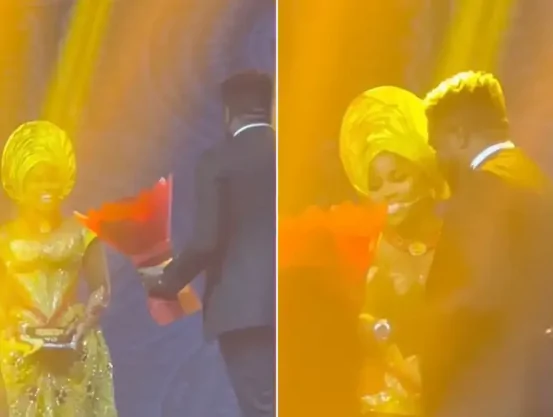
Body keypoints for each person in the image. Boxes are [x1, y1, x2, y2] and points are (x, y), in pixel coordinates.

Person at [279, 86, 448, 416]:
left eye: (398, 177)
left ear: (425, 172)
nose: (388, 192)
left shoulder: (459, 240)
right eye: (376, 184)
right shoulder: (355, 242)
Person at [140, 71, 276, 417]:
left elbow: (205, 241)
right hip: (296, 302)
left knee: (261, 408)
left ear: (228, 113)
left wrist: (166, 283)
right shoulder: (291, 155)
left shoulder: (218, 160)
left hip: (243, 311)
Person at [422, 70, 553, 417]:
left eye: (437, 146)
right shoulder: (535, 179)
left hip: (485, 387)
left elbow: (475, 295)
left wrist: (421, 328)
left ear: (459, 135)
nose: (437, 159)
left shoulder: (481, 188)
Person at [0, 121, 117, 416]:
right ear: (19, 183)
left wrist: (83, 324)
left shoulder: (82, 232)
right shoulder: (4, 239)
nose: (46, 188)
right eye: (36, 180)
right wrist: (12, 329)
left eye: (52, 179)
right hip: (20, 351)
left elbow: (101, 288)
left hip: (74, 345)